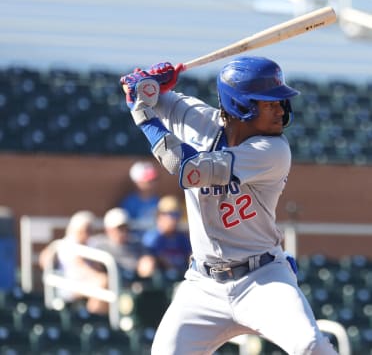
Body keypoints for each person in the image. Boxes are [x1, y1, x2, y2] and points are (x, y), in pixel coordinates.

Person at [120, 57, 337, 354]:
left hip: (261, 277)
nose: (280, 110)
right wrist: (145, 84)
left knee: (311, 345)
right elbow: (147, 94)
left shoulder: (273, 151)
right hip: (203, 285)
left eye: (280, 102)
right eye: (269, 103)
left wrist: (141, 113)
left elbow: (187, 168)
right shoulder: (197, 119)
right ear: (240, 105)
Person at [39, 210, 108, 315]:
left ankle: (98, 320)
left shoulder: (91, 245)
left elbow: (96, 267)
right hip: (69, 285)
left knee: (106, 283)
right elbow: (80, 267)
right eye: (85, 230)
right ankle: (92, 317)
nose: (87, 233)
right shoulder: (66, 244)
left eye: (90, 230)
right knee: (103, 281)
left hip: (86, 284)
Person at [88, 207, 156, 284]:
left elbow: (147, 259)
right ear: (108, 230)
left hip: (135, 282)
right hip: (112, 285)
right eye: (119, 228)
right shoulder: (99, 245)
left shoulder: (136, 243)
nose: (123, 232)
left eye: (125, 227)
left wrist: (147, 262)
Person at [142, 195, 191, 282]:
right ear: (160, 216)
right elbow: (148, 262)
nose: (176, 219)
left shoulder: (181, 237)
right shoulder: (152, 237)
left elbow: (190, 256)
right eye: (172, 215)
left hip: (182, 276)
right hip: (161, 279)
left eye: (177, 215)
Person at [118, 160, 160, 237]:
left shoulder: (158, 201)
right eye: (149, 181)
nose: (153, 183)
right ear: (137, 182)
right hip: (134, 243)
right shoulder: (129, 203)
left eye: (154, 180)